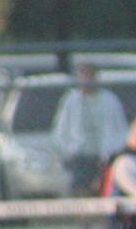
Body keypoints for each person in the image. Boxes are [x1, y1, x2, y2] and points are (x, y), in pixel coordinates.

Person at [51, 63, 130, 195]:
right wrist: (68, 150)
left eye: (90, 76)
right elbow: (61, 128)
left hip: (104, 157)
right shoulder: (71, 100)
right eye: (83, 77)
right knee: (80, 190)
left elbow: (121, 128)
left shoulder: (109, 99)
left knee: (103, 190)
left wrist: (113, 151)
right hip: (80, 156)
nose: (87, 81)